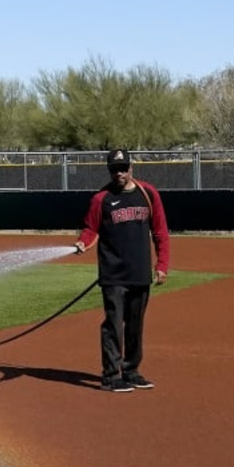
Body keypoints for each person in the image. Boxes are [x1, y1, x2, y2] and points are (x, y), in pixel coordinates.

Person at [73, 147, 169, 392]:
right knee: (114, 324)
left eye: (123, 168)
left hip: (140, 272)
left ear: (131, 168)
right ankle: (111, 375)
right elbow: (90, 227)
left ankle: (131, 370)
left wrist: (162, 264)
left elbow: (160, 231)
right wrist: (83, 242)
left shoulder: (148, 194)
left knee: (135, 326)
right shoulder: (101, 199)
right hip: (113, 273)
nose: (119, 173)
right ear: (109, 170)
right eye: (114, 169)